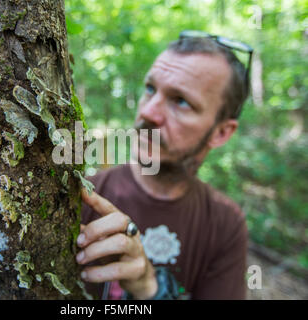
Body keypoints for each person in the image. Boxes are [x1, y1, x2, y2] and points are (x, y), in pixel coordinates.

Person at [77, 31, 254, 300]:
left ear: (221, 132)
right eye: (150, 88)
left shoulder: (224, 224)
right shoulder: (83, 195)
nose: (148, 112)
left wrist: (150, 289)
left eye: (180, 101)